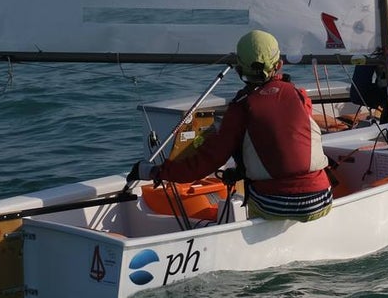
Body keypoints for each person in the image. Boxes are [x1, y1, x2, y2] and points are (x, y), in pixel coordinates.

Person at [137, 30, 333, 221]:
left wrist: (154, 171)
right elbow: (285, 137)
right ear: (279, 64)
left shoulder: (240, 108)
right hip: (322, 199)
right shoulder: (299, 96)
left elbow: (207, 162)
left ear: (239, 69)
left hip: (275, 205)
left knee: (248, 194)